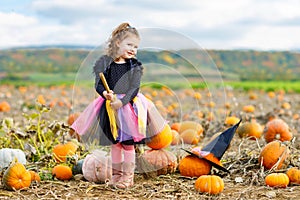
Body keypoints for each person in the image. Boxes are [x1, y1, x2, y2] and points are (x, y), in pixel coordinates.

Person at [71, 22, 166, 189]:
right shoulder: (105, 64)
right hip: (109, 108)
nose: (133, 49)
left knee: (127, 143)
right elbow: (99, 84)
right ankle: (116, 176)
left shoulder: (134, 67)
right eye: (129, 45)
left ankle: (127, 178)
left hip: (128, 107)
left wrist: (121, 102)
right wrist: (105, 94)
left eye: (136, 47)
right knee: (115, 143)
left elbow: (134, 89)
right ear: (117, 43)